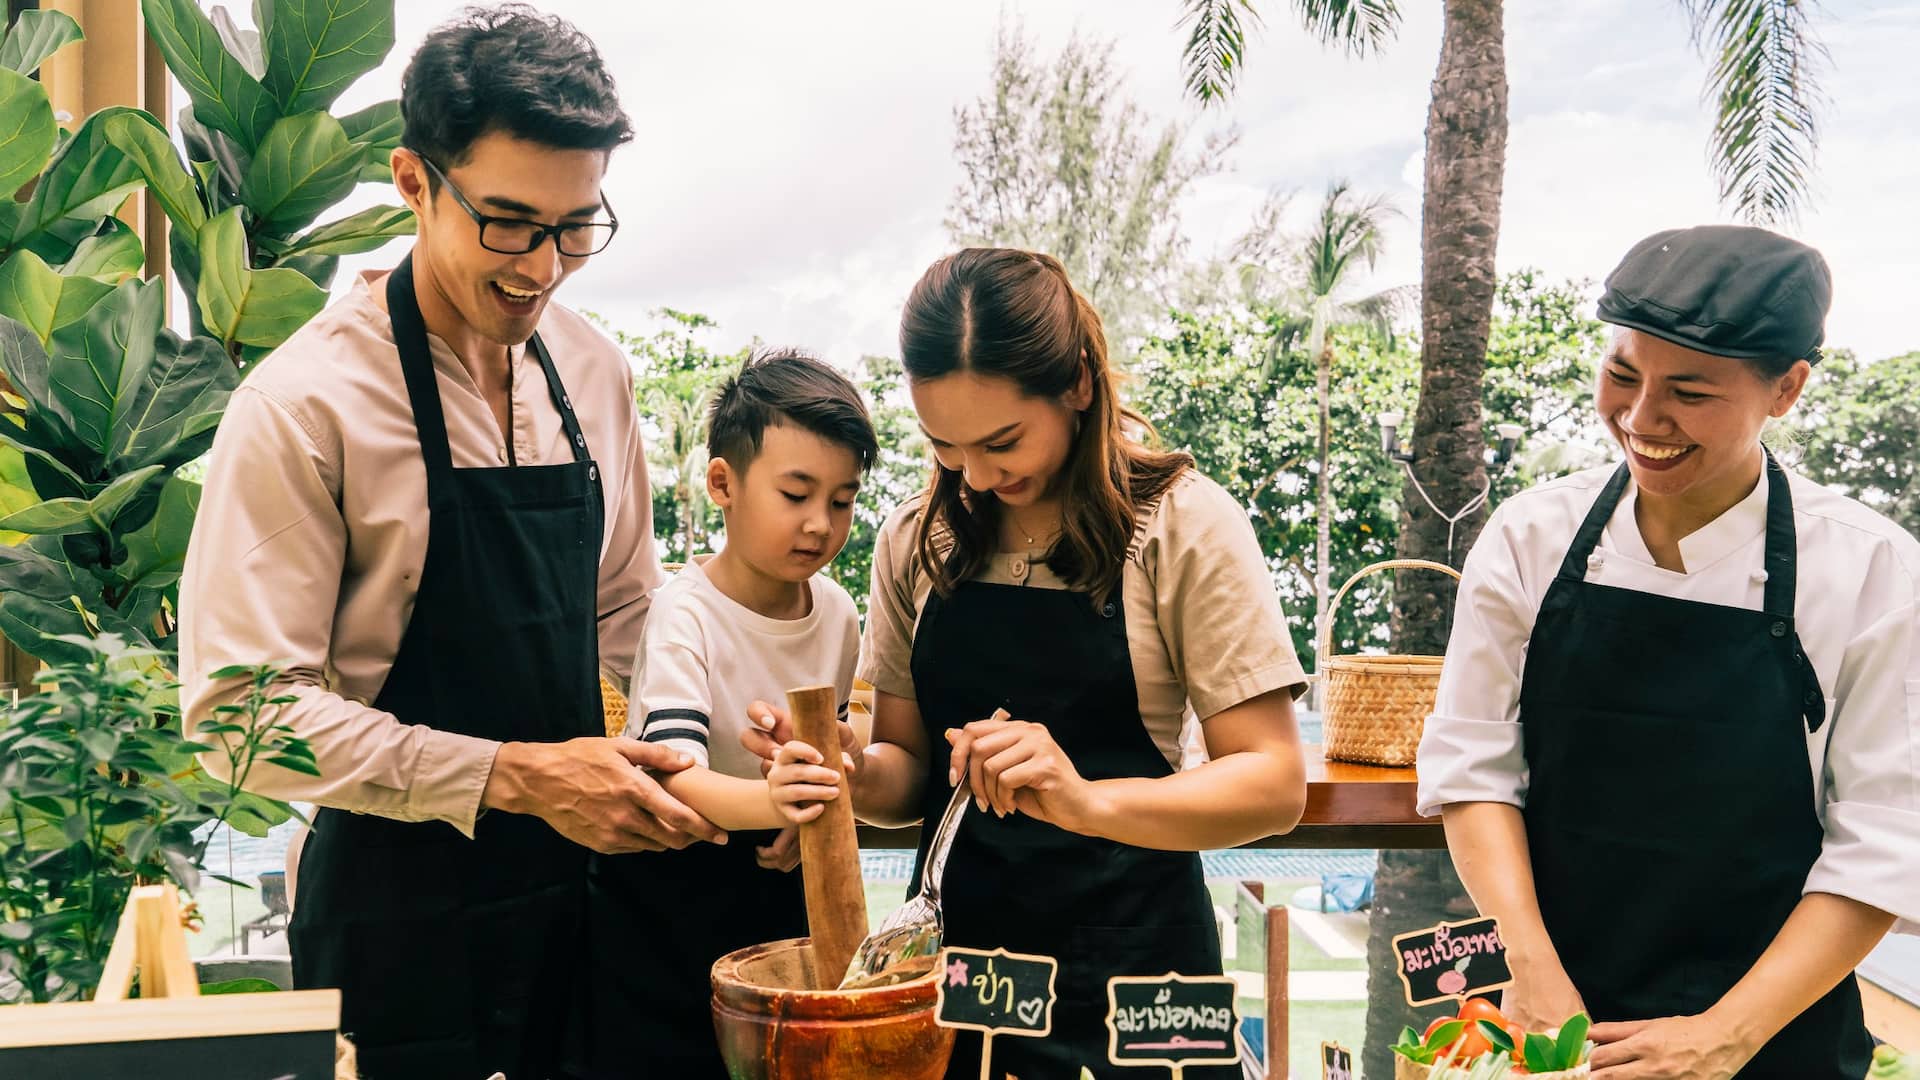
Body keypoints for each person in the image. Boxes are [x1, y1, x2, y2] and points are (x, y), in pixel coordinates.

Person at [177, 8, 725, 1078]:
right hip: (396, 932)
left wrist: (713, 726)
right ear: (415, 183)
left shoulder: (594, 372)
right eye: (511, 224)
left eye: (578, 226)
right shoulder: (303, 405)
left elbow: (627, 612)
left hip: (582, 912)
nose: (547, 268)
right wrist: (514, 776)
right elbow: (240, 715)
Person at [759, 247, 1310, 1080]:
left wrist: (1083, 800)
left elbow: (1272, 783)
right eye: (946, 445)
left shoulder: (1180, 527)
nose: (975, 475)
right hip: (971, 974)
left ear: (1078, 385)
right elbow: (909, 774)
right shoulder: (917, 541)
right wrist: (853, 772)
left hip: (1149, 974)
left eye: (1003, 441)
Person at [1417, 225, 1920, 1079]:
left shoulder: (1872, 570)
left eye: (1688, 391)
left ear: (1787, 390)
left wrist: (1727, 1035)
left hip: (1773, 1036)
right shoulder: (1530, 538)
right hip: (1559, 1029)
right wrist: (1532, 974)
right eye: (1622, 374)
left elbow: (1883, 839)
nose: (1642, 418)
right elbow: (1474, 770)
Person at [575, 349, 877, 1078]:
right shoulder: (685, 611)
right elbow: (672, 777)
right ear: (723, 484)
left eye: (841, 501)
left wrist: (802, 818)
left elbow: (829, 747)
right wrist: (772, 801)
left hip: (779, 888)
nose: (820, 525)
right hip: (667, 895)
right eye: (796, 494)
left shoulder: (837, 611)